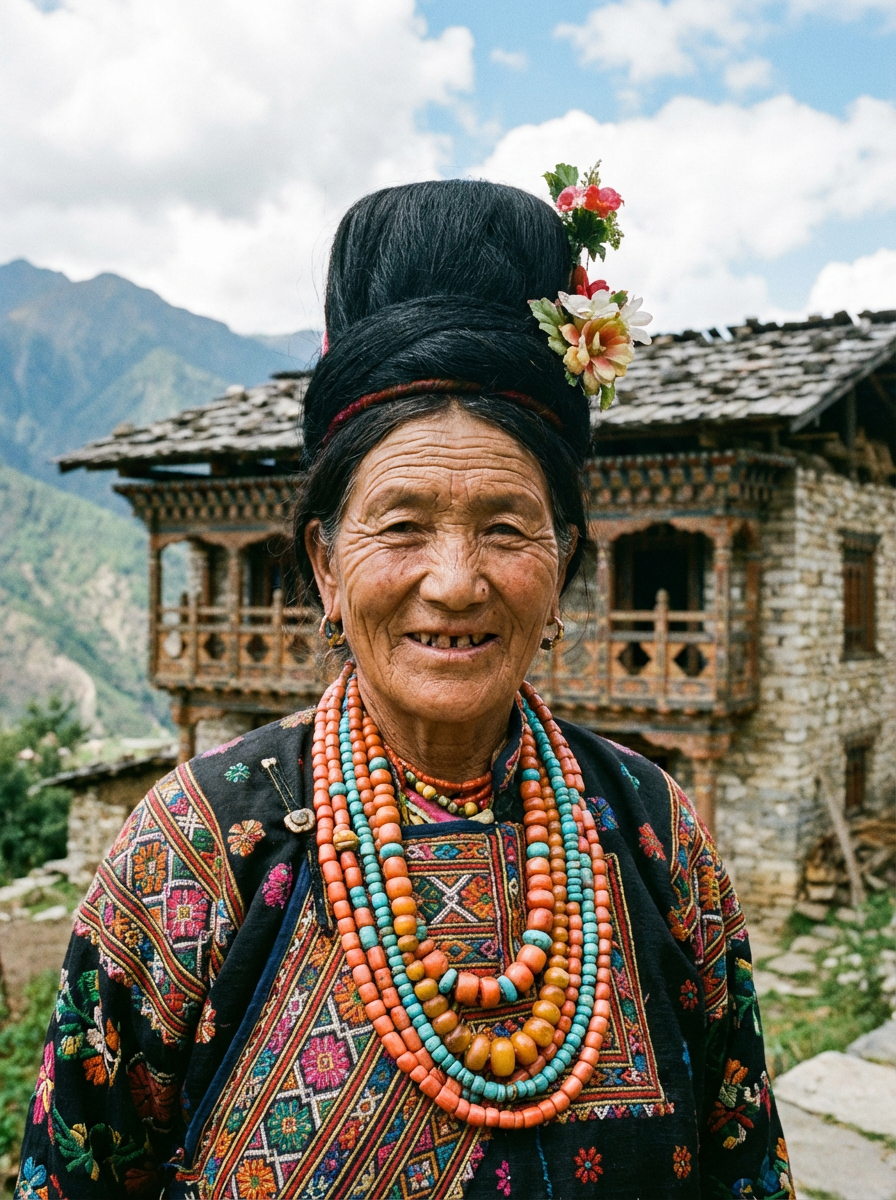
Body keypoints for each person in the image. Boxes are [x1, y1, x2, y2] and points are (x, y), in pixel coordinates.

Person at [16, 177, 793, 1200]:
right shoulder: (197, 849)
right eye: (401, 523)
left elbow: (744, 1169)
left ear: (562, 567)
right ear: (327, 566)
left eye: (506, 528)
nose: (455, 580)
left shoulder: (652, 834)